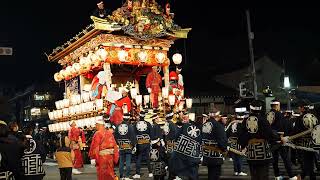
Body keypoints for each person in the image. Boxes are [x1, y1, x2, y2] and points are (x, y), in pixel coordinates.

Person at [239, 100, 282, 180]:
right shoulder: (262, 119)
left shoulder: (245, 120)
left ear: (250, 109)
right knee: (263, 175)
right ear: (260, 109)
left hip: (251, 152)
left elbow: (241, 136)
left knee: (254, 176)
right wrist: (279, 139)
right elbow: (270, 134)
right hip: (263, 151)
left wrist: (243, 146)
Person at [266, 100, 298, 180]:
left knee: (275, 159)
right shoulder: (278, 114)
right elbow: (281, 128)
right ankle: (291, 176)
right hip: (279, 140)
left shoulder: (266, 114)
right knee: (286, 159)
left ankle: (277, 175)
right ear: (277, 105)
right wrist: (282, 137)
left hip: (270, 140)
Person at [289, 101, 319, 180]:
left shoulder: (300, 118)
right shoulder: (315, 116)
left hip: (303, 144)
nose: (299, 108)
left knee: (305, 163)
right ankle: (309, 176)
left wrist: (293, 142)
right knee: (311, 162)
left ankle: (302, 176)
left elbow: (296, 132)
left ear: (302, 108)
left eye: (300, 107)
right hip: (313, 143)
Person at [170, 112, 202, 180]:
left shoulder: (182, 127)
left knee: (184, 168)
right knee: (193, 171)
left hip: (185, 152)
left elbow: (176, 137)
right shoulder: (196, 126)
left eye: (185, 117)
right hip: (193, 153)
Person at [202, 110, 228, 180]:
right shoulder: (218, 125)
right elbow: (222, 140)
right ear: (217, 116)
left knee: (210, 173)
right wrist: (224, 149)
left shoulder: (204, 124)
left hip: (206, 153)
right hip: (215, 154)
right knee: (215, 175)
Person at [226, 107, 248, 176]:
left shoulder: (232, 123)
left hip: (231, 143)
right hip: (239, 143)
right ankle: (240, 171)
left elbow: (226, 132)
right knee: (239, 158)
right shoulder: (243, 124)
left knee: (234, 158)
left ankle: (236, 171)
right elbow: (244, 134)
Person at [114, 113, 136, 179]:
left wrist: (118, 144)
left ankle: (121, 175)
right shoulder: (130, 126)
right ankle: (127, 176)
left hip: (121, 145)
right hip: (128, 145)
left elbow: (115, 136)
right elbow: (133, 137)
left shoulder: (118, 126)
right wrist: (134, 145)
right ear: (129, 118)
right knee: (128, 161)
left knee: (121, 161)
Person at [132, 110, 153, 179]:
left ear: (139, 116)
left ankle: (138, 173)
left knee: (139, 158)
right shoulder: (148, 123)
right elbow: (151, 133)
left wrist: (134, 144)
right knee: (148, 158)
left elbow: (133, 134)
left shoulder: (135, 124)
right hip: (147, 142)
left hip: (139, 143)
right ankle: (150, 172)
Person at [163, 111, 177, 180]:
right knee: (172, 160)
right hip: (172, 143)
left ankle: (171, 175)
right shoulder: (172, 125)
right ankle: (172, 175)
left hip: (167, 143)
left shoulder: (166, 124)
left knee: (170, 160)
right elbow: (175, 134)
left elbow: (164, 134)